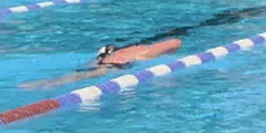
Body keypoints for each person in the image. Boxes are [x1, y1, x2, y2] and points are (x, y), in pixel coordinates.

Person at [19, 38, 183, 89]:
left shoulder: (109, 57)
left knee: (77, 76)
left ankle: (44, 83)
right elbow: (176, 42)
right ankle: (46, 84)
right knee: (79, 77)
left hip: (108, 65)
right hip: (113, 67)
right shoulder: (141, 52)